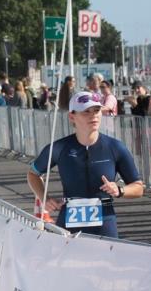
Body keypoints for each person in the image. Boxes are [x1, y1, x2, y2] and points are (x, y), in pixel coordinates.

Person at [27, 91, 144, 238]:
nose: (93, 116)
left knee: (106, 261)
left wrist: (120, 190)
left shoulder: (115, 147)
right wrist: (45, 198)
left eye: (96, 110)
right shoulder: (59, 148)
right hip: (69, 220)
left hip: (105, 221)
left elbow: (138, 187)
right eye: (86, 112)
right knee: (66, 261)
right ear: (72, 116)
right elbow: (33, 174)